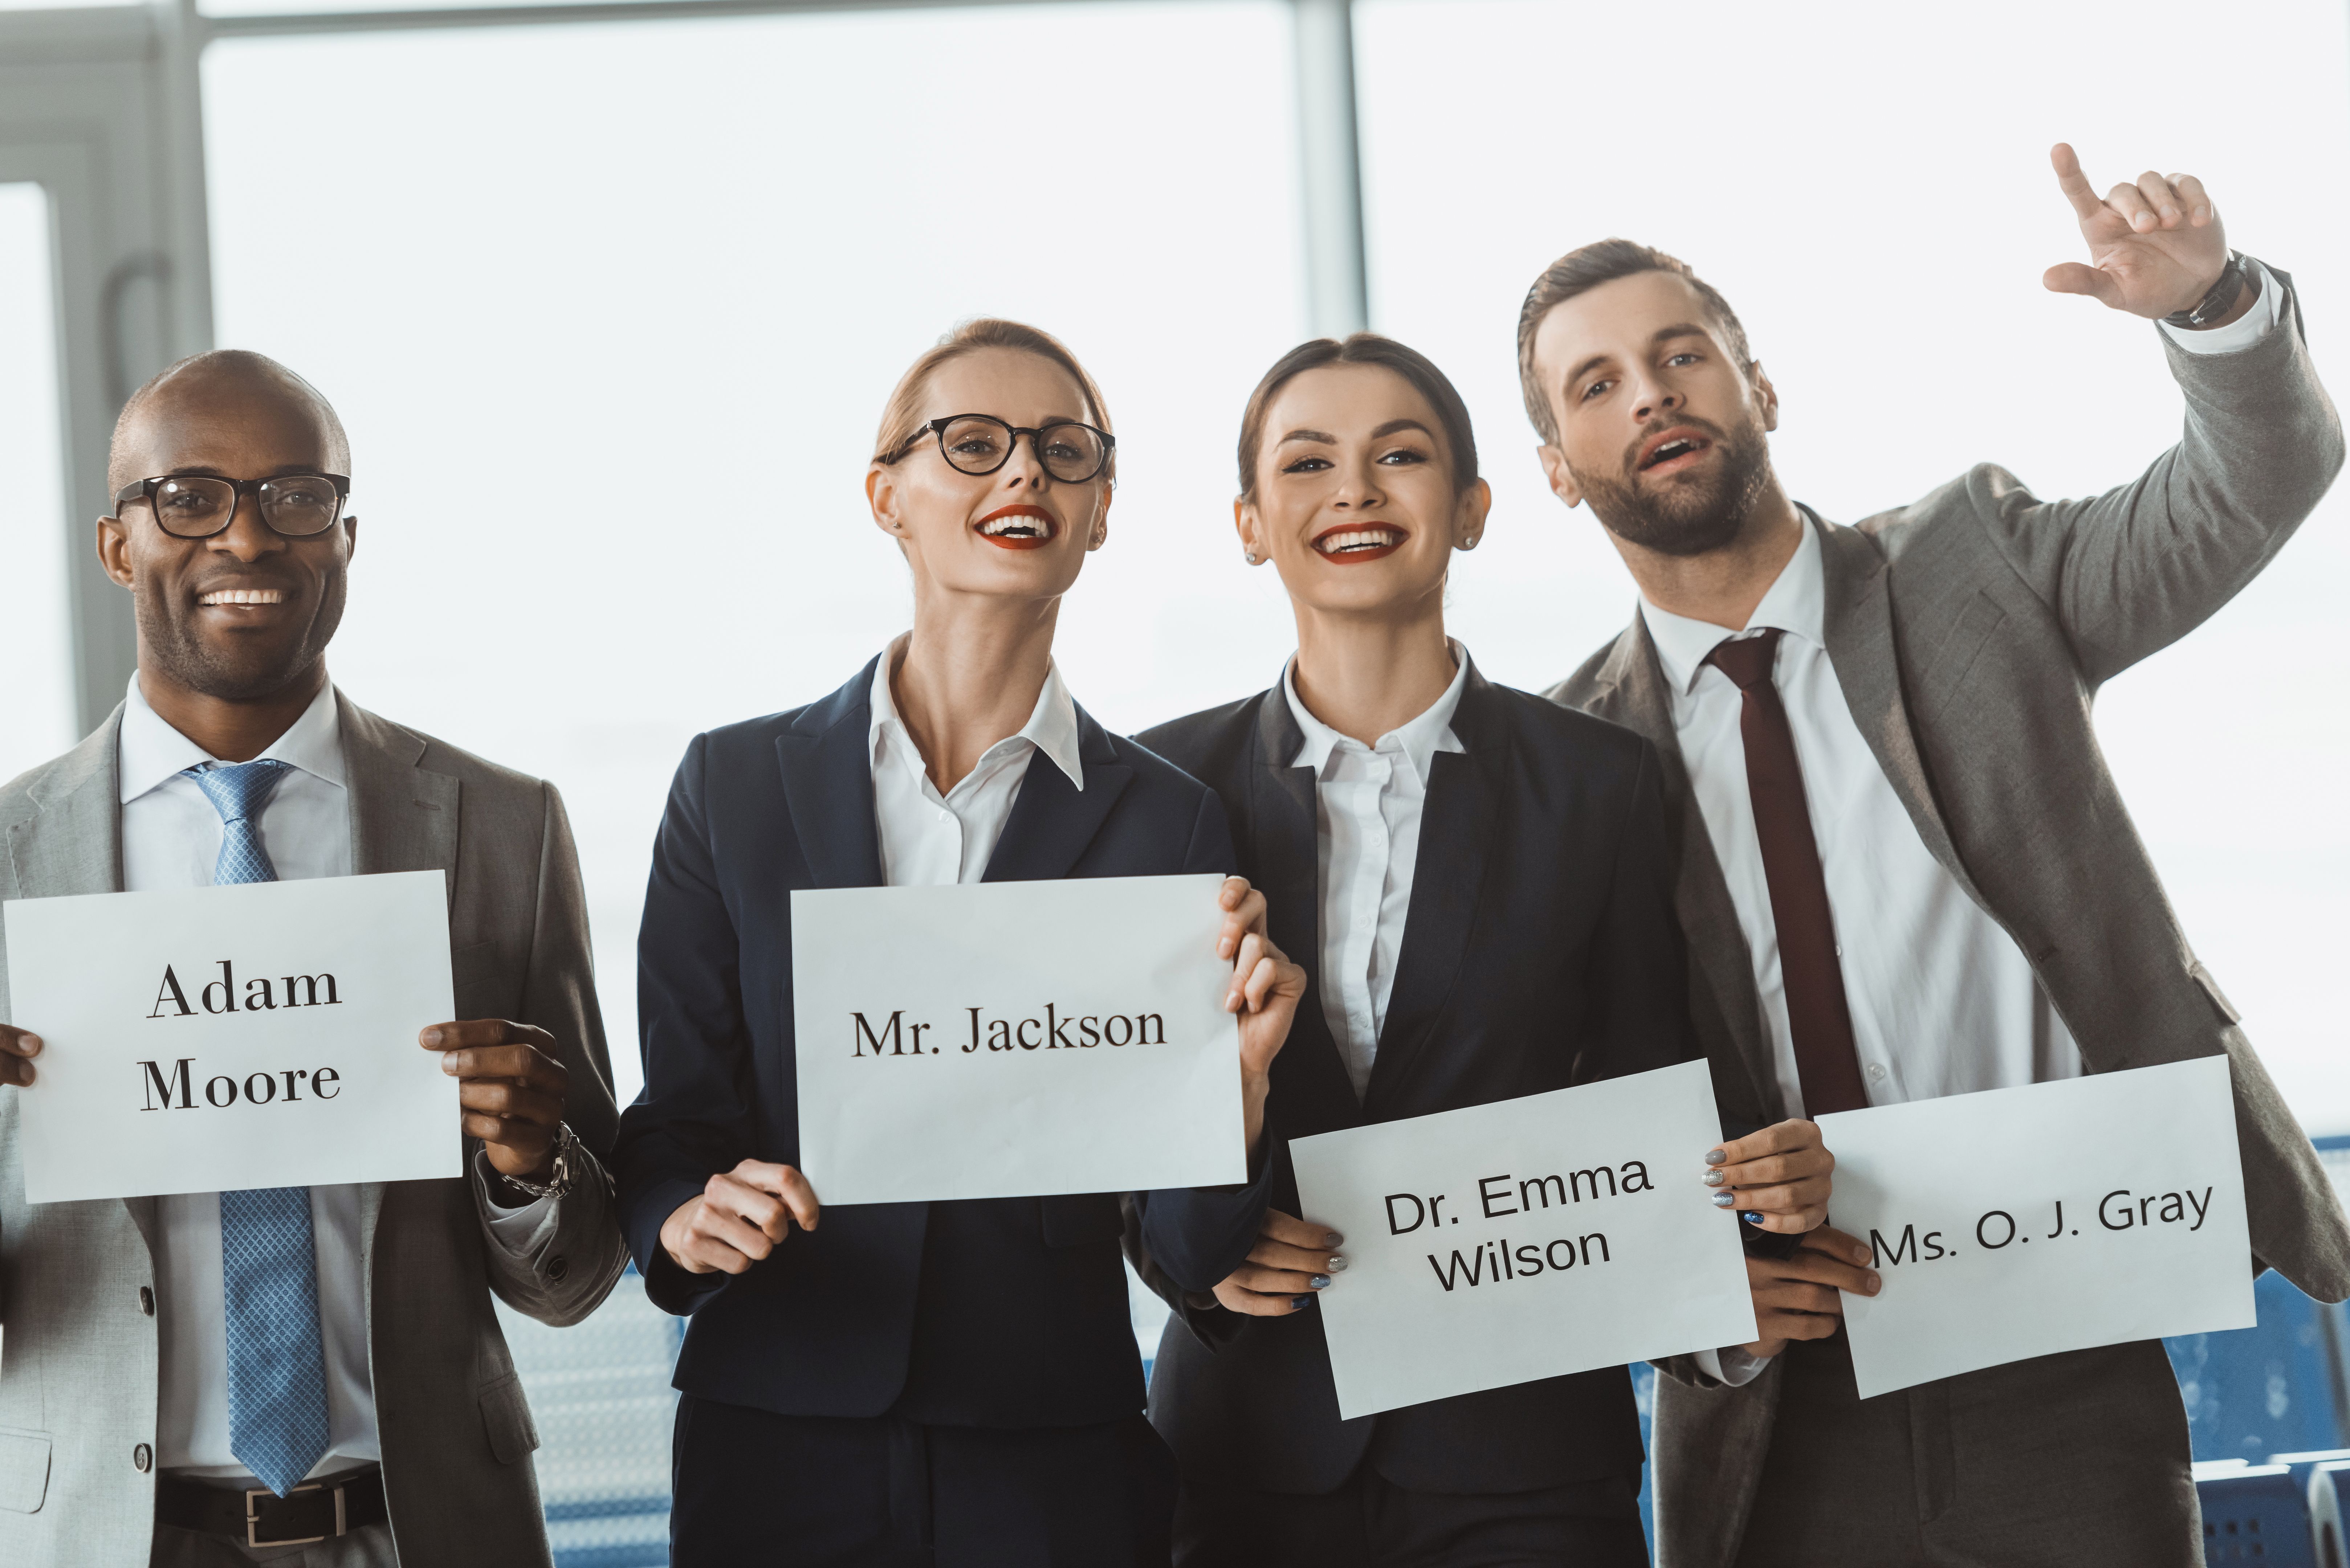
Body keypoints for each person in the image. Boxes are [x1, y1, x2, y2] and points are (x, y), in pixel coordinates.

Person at [1530, 146, 2350, 1567]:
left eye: (1679, 355)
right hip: (1783, 1395)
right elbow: (1552, 1100)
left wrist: (2208, 306)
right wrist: (1688, 1284)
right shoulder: (1560, 761)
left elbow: (2249, 486)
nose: (1648, 392)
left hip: (2061, 1339)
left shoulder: (1970, 567)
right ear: (1553, 470)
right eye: (1594, 384)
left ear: (1757, 387)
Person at [1130, 332, 1846, 1567]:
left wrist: (1713, 1288)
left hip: (1523, 1464)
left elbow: (1643, 1085)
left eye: (1397, 456)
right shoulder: (1156, 794)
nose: (1353, 490)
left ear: (1468, 510)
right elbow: (1124, 1151)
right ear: (1250, 522)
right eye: (1307, 464)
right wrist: (1202, 1264)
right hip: (1246, 1460)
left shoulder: (1599, 783)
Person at [611, 318, 1306, 1568]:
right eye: (973, 445)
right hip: (778, 1429)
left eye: (1064, 452)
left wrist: (1238, 1089)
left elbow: (1190, 1249)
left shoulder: (1169, 819)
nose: (1024, 476)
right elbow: (678, 1128)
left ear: (1101, 514)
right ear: (888, 497)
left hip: (1050, 1449)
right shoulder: (731, 787)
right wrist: (680, 1220)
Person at [0, 350, 628, 1568]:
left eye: (295, 497)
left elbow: (576, 1280)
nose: (246, 539)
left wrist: (526, 1160)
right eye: (189, 497)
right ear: (117, 546)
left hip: (422, 1530)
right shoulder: (7, 859)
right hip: (100, 1537)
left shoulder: (500, 829)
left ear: (346, 536)